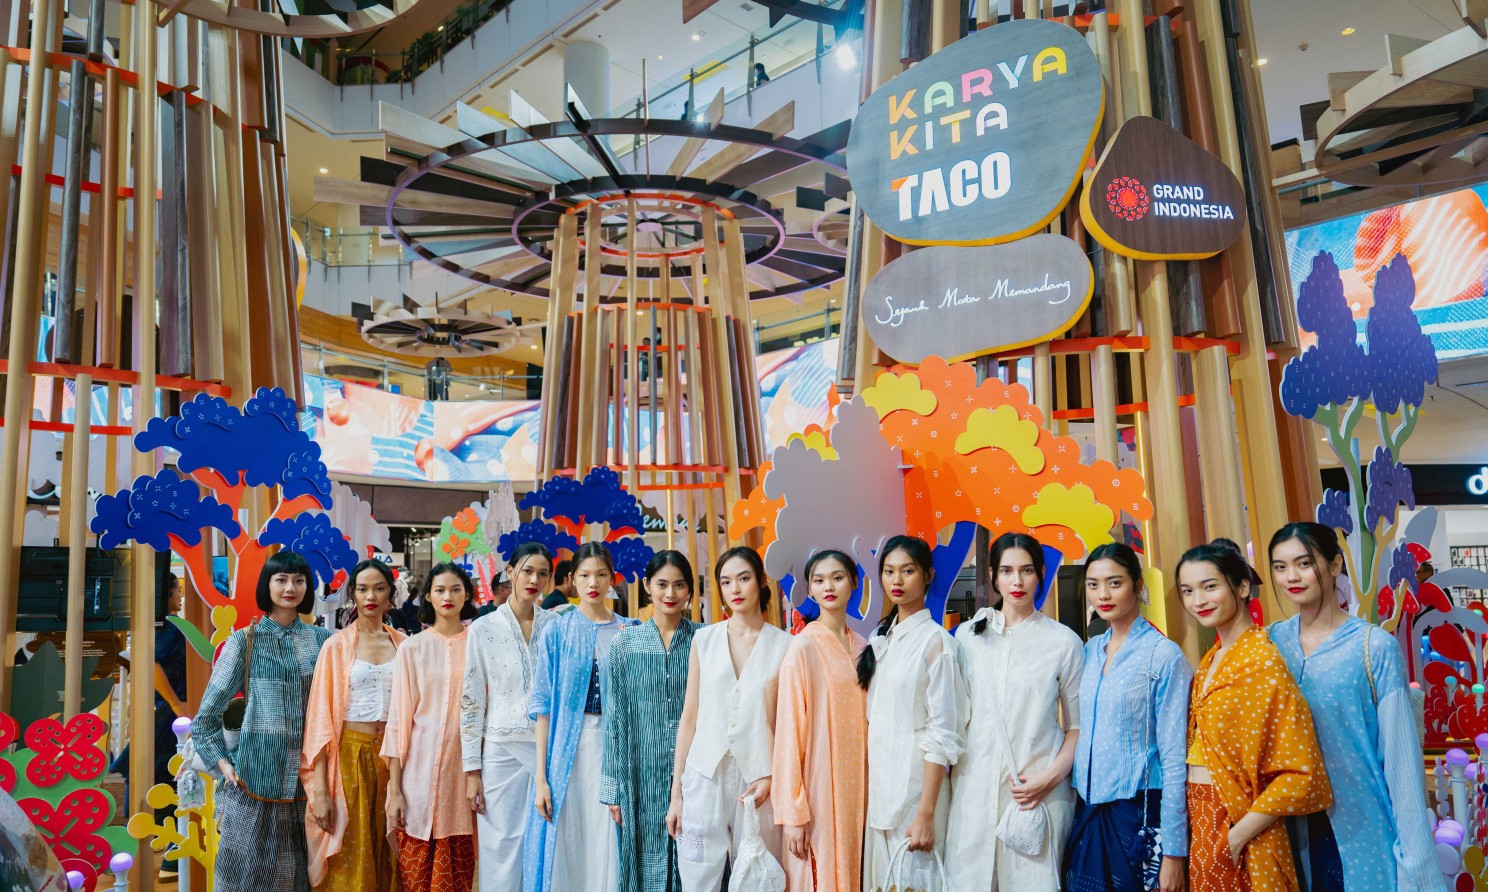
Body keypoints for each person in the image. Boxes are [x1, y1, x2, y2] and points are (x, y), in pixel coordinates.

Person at [1267, 522, 1445, 892]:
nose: (1291, 577)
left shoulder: (1374, 646)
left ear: (1335, 565)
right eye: (1280, 567)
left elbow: (1401, 759)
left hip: (1360, 822)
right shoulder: (1270, 643)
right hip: (1286, 825)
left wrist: (1418, 863)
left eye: (1303, 563)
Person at [1180, 539, 1331, 892]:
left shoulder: (1262, 661)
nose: (1198, 600)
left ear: (1243, 587)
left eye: (1209, 587)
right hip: (1202, 817)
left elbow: (1302, 772)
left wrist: (1237, 836)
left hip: (1240, 824)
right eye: (1188, 591)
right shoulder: (1212, 658)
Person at [191, 551, 332, 892]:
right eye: (281, 579)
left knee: (305, 880)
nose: (290, 588)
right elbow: (204, 719)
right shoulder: (244, 641)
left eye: (299, 580)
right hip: (254, 784)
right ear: (266, 585)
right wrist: (225, 765)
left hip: (309, 787)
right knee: (246, 881)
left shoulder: (323, 641)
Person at [946, 532, 1079, 891]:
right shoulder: (967, 637)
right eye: (1006, 571)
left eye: (1026, 570)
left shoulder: (1064, 642)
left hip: (1036, 795)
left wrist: (1050, 777)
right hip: (972, 791)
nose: (1016, 581)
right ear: (993, 575)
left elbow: (1078, 727)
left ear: (1041, 574)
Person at [1063, 543, 1190, 892]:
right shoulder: (1090, 651)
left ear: (1138, 585)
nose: (1102, 595)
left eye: (1114, 583)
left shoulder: (1163, 655)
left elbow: (1175, 758)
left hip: (1138, 814)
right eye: (1093, 584)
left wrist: (1173, 853)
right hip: (1087, 811)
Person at [669, 546, 788, 891]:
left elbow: (788, 725)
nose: (735, 589)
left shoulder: (786, 646)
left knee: (755, 876)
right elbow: (689, 717)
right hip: (704, 772)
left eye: (744, 578)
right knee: (697, 877)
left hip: (758, 779)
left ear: (761, 581)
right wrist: (676, 794)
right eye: (725, 581)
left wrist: (773, 777)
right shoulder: (703, 640)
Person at [526, 541, 638, 892]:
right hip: (566, 754)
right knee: (569, 834)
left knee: (608, 834)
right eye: (585, 575)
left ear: (612, 579)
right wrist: (541, 778)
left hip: (614, 751)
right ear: (572, 579)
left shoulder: (630, 631)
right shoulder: (557, 631)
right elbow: (542, 707)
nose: (593, 583)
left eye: (601, 575)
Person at [857, 535, 962, 891]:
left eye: (908, 571)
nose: (897, 580)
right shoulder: (882, 637)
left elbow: (943, 733)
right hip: (881, 789)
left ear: (928, 576)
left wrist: (926, 813)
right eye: (889, 571)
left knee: (916, 881)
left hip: (917, 792)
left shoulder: (937, 642)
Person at [302, 560, 406, 891]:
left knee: (389, 852)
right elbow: (319, 719)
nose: (370, 596)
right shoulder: (336, 646)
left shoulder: (404, 645)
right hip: (348, 757)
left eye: (379, 588)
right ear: (353, 595)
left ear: (390, 594)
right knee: (351, 850)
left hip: (394, 759)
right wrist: (320, 789)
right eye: (363, 589)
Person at [461, 543, 556, 892]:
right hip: (500, 751)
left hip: (547, 751)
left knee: (545, 841)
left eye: (542, 574)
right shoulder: (484, 628)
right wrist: (472, 771)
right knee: (499, 847)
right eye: (527, 571)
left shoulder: (556, 626)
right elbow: (471, 701)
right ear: (511, 572)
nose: (534, 580)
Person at [602, 550, 699, 892]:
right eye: (662, 584)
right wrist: (613, 790)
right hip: (640, 773)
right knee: (645, 859)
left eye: (679, 585)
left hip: (695, 771)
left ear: (690, 590)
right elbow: (614, 717)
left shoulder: (705, 639)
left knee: (696, 859)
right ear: (647, 586)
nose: (670, 594)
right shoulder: (625, 644)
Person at [772, 549, 867, 892]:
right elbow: (789, 734)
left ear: (853, 583)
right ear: (810, 589)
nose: (829, 586)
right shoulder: (803, 648)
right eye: (819, 580)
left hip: (860, 788)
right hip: (819, 788)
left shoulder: (864, 647)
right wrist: (793, 813)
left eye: (837, 578)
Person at [384, 562, 478, 892]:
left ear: (467, 595)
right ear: (428, 596)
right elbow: (398, 722)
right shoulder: (412, 648)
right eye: (440, 590)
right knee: (416, 878)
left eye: (455, 589)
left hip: (463, 781)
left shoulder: (479, 645)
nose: (448, 596)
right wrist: (395, 789)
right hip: (417, 780)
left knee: (459, 878)